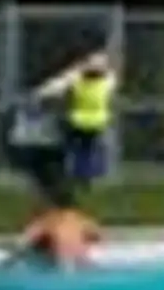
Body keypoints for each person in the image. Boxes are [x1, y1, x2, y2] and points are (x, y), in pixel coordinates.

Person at [36, 49, 120, 190]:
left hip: (77, 121)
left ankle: (66, 174)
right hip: (97, 123)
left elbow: (57, 85)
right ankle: (85, 177)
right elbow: (111, 76)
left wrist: (40, 93)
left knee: (70, 147)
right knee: (88, 150)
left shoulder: (78, 81)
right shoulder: (106, 83)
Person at [0, 202, 102, 272]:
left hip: (55, 256)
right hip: (71, 257)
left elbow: (24, 242)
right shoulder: (78, 220)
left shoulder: (46, 222)